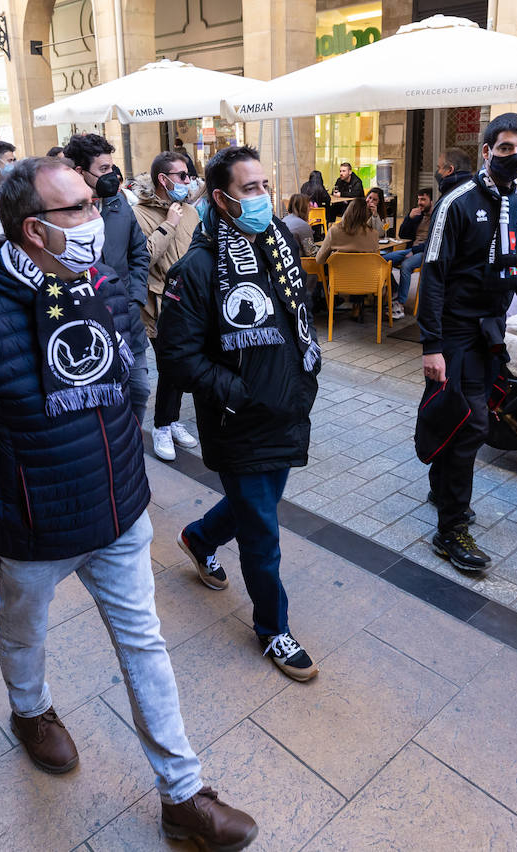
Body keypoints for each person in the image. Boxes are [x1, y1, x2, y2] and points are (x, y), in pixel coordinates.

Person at [0, 156, 259, 850]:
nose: (98, 218)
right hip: (32, 529)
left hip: (120, 509)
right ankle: (30, 711)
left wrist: (125, 451)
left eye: (97, 203)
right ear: (33, 229)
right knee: (23, 630)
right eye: (78, 209)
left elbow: (128, 371)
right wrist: (12, 482)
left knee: (145, 645)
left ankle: (183, 793)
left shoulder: (99, 284)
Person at [157, 145, 322, 682]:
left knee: (257, 505)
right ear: (222, 199)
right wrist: (239, 390)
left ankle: (199, 538)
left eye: (265, 186)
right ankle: (273, 628)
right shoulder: (198, 268)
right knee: (262, 531)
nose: (263, 197)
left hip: (285, 407)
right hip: (240, 419)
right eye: (250, 190)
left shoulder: (278, 244)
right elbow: (178, 357)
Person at [420, 124, 517, 575]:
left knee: (465, 420)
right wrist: (431, 344)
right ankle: (450, 528)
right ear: (486, 151)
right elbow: (433, 275)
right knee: (468, 423)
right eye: (504, 148)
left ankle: (443, 488)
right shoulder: (456, 203)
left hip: (491, 331)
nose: (513, 155)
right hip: (454, 332)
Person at [62, 133, 151, 426]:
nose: (111, 175)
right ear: (79, 172)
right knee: (105, 401)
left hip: (128, 320)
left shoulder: (119, 204)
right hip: (87, 324)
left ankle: (132, 441)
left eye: (112, 167)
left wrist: (135, 298)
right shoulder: (62, 212)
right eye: (103, 170)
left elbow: (139, 252)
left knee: (139, 390)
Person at [132, 151, 202, 462]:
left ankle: (171, 420)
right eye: (182, 176)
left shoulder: (190, 211)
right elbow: (144, 258)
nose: (188, 181)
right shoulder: (139, 214)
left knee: (185, 366)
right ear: (163, 179)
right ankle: (162, 425)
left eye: (189, 176)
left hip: (192, 302)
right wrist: (169, 224)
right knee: (170, 367)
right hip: (161, 305)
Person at [383, 188, 434, 319]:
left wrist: (414, 251)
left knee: (406, 266)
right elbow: (403, 235)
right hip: (411, 249)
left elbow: (433, 243)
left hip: (425, 252)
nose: (419, 202)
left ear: (432, 201)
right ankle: (394, 290)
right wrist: (409, 218)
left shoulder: (437, 217)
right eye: (418, 199)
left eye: (423, 199)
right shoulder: (418, 215)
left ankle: (400, 303)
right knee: (382, 260)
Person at [315, 195, 378, 265]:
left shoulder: (334, 232)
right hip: (366, 274)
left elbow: (319, 260)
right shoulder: (373, 234)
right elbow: (374, 261)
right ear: (366, 215)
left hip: (339, 274)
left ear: (347, 211)